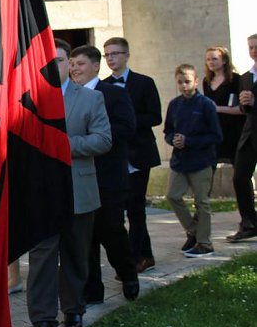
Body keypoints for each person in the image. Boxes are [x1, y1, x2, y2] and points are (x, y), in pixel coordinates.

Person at [25, 39, 112, 327]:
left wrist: (63, 145)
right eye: (48, 62)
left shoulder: (90, 98)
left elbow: (103, 139)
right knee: (41, 256)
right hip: (41, 193)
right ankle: (43, 319)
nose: (54, 66)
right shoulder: (28, 100)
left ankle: (74, 312)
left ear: (69, 65)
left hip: (79, 190)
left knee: (75, 254)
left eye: (60, 60)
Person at [69, 45, 139, 303]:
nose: (75, 69)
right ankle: (92, 290)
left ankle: (128, 274)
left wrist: (95, 136)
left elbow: (127, 127)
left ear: (96, 66)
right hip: (80, 176)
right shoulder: (67, 96)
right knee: (85, 235)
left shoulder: (113, 93)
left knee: (111, 230)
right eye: (72, 64)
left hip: (107, 176)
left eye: (80, 64)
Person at [102, 37, 162, 274]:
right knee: (119, 210)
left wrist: (128, 121)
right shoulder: (103, 86)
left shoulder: (144, 83)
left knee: (136, 208)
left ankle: (139, 257)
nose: (111, 58)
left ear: (126, 55)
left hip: (139, 153)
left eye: (115, 53)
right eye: (107, 54)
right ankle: (138, 255)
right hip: (114, 156)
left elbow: (155, 116)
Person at [163, 64, 222, 258]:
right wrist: (173, 139)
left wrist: (189, 141)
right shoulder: (174, 104)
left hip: (201, 160)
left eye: (187, 81)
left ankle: (205, 243)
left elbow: (216, 135)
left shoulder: (206, 104)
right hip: (180, 160)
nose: (183, 85)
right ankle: (194, 230)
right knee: (172, 195)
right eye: (180, 82)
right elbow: (168, 130)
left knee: (201, 201)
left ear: (196, 82)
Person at [228, 34, 257, 242]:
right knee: (240, 177)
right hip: (249, 134)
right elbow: (245, 109)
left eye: (256, 47)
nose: (254, 51)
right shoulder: (246, 77)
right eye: (251, 47)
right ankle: (249, 223)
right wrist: (245, 103)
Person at [202, 46, 245, 166]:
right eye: (208, 59)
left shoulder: (236, 79)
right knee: (210, 165)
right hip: (215, 128)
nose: (211, 62)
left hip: (234, 129)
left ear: (224, 60)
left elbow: (243, 109)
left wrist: (218, 109)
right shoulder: (207, 81)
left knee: (239, 166)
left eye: (214, 59)